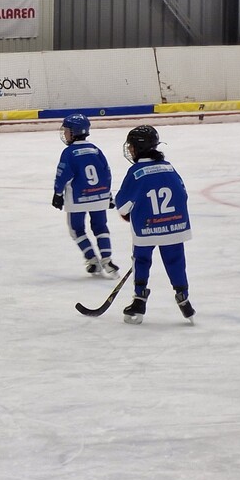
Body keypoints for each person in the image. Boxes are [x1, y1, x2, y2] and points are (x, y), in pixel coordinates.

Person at [114, 125, 194, 324]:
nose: (129, 149)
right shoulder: (169, 167)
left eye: (131, 146)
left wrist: (129, 214)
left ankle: (139, 300)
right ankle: (184, 299)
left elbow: (122, 205)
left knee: (141, 260)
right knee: (175, 261)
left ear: (138, 148)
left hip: (146, 228)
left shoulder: (135, 172)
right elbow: (183, 194)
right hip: (175, 226)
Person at [51, 113, 119, 277]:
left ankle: (93, 260)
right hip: (99, 197)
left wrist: (58, 193)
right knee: (101, 227)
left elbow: (63, 175)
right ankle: (107, 259)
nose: (64, 133)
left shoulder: (69, 152)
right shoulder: (96, 150)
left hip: (77, 199)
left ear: (74, 132)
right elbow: (106, 174)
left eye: (66, 130)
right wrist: (108, 194)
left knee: (76, 229)